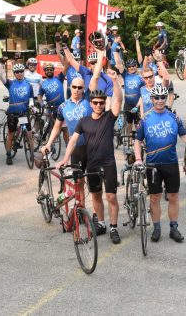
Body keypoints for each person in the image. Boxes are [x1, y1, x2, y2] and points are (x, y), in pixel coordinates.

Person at [59, 64, 124, 243]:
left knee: (111, 196)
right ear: (91, 104)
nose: (98, 105)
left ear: (104, 104)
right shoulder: (84, 121)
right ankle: (101, 223)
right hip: (93, 164)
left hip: (108, 163)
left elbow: (118, 100)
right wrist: (65, 159)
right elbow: (72, 140)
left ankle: (113, 227)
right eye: (95, 103)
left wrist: (114, 80)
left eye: (101, 103)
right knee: (95, 195)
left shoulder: (109, 117)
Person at [134, 84, 186, 243]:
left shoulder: (174, 117)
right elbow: (137, 141)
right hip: (153, 165)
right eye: (156, 98)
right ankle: (157, 228)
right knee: (155, 197)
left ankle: (174, 228)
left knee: (173, 196)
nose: (160, 101)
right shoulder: (145, 119)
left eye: (162, 97)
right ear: (151, 99)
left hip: (171, 163)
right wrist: (138, 159)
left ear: (165, 98)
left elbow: (185, 137)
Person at [0, 62, 34, 165]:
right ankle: (8, 155)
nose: (19, 73)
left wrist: (32, 106)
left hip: (24, 112)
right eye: (17, 72)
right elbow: (0, 76)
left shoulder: (28, 84)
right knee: (10, 134)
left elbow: (31, 97)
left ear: (24, 72)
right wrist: (1, 64)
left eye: (21, 71)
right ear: (14, 73)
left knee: (29, 134)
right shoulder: (10, 83)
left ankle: (32, 153)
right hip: (12, 113)